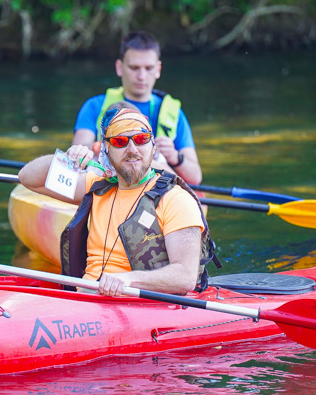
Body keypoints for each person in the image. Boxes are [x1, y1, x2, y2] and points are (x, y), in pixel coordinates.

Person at [19, 107, 210, 297]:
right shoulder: (95, 186)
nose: (132, 149)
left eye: (141, 139)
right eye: (120, 142)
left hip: (136, 304)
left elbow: (185, 277)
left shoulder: (176, 198)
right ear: (107, 150)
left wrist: (128, 279)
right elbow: (27, 177)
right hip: (84, 299)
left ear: (153, 146)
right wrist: (66, 159)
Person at [72, 30, 203, 185]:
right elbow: (77, 155)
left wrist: (175, 157)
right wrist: (104, 147)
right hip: (108, 183)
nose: (141, 76)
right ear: (119, 67)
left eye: (148, 68)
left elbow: (195, 178)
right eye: (134, 68)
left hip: (154, 188)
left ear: (158, 69)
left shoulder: (174, 113)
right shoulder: (95, 106)